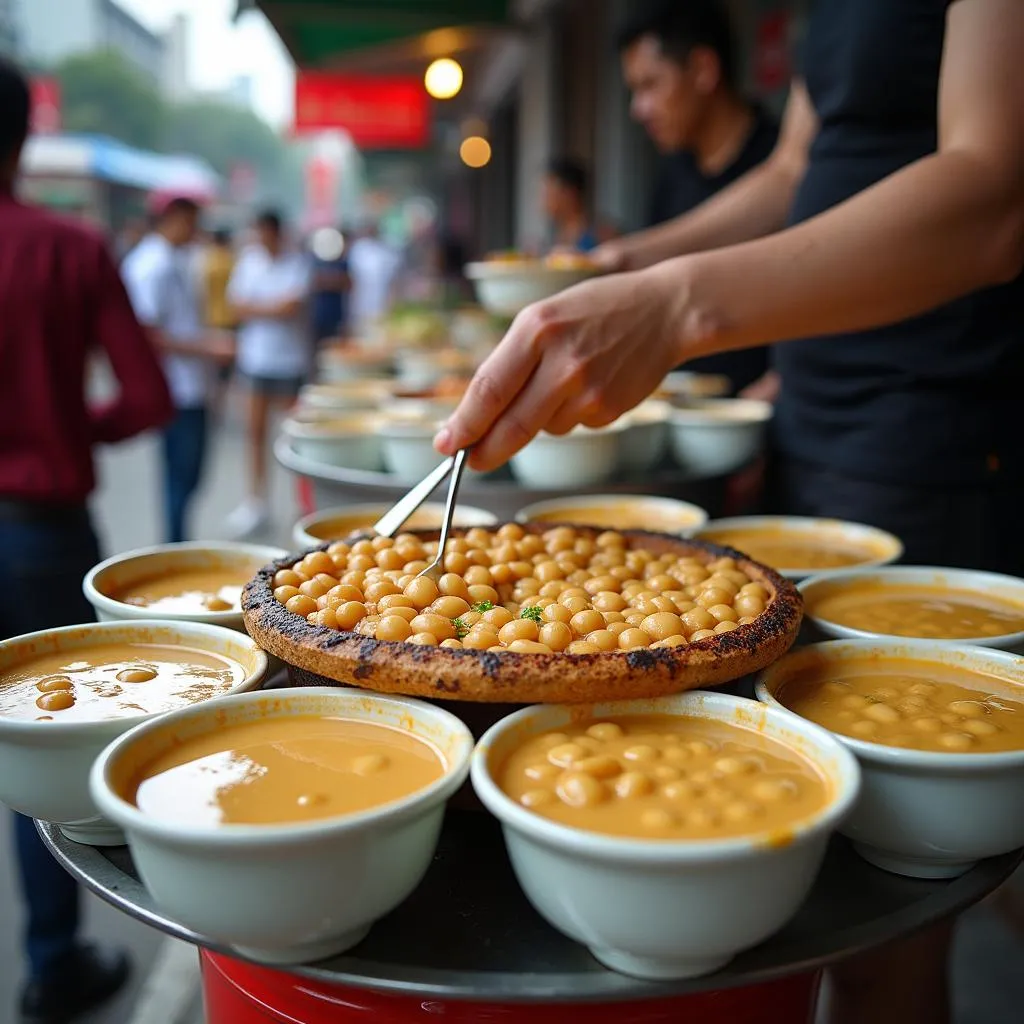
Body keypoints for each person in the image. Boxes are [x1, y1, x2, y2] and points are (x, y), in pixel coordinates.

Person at [438, 3, 1024, 1020]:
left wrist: (677, 305)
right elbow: (797, 169)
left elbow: (995, 197)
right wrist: (624, 266)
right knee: (785, 866)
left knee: (885, 916)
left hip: (933, 418)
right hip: (812, 409)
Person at [0, 58, 173, 1023]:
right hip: (39, 531)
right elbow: (146, 395)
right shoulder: (69, 249)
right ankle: (49, 962)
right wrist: (69, 429)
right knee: (41, 756)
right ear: (25, 138)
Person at [608, 0, 779, 395]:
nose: (638, 109)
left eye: (650, 85)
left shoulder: (781, 160)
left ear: (703, 69)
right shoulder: (671, 176)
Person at [122, 199, 235, 544]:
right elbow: (146, 333)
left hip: (190, 384)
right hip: (175, 387)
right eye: (190, 222)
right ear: (172, 219)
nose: (195, 230)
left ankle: (177, 543)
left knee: (188, 475)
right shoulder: (150, 265)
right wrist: (206, 346)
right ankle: (175, 547)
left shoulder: (174, 259)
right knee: (180, 476)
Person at [225, 210, 311, 539]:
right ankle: (256, 501)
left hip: (289, 361)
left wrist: (257, 307)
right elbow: (236, 306)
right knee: (255, 434)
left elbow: (290, 307)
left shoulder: (296, 263)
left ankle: (300, 504)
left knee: (293, 438)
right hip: (256, 360)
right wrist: (271, 308)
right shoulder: (250, 261)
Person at [346, 221, 402, 334]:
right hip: (360, 307)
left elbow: (394, 281)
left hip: (382, 307)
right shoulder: (358, 249)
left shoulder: (387, 250)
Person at [542, 158, 602, 253]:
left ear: (570, 193)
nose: (543, 201)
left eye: (548, 193)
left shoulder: (601, 235)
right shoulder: (561, 235)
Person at [308, 225, 350, 344]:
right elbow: (313, 282)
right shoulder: (313, 262)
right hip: (318, 316)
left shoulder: (342, 262)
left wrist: (327, 281)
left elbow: (348, 283)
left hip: (337, 316)